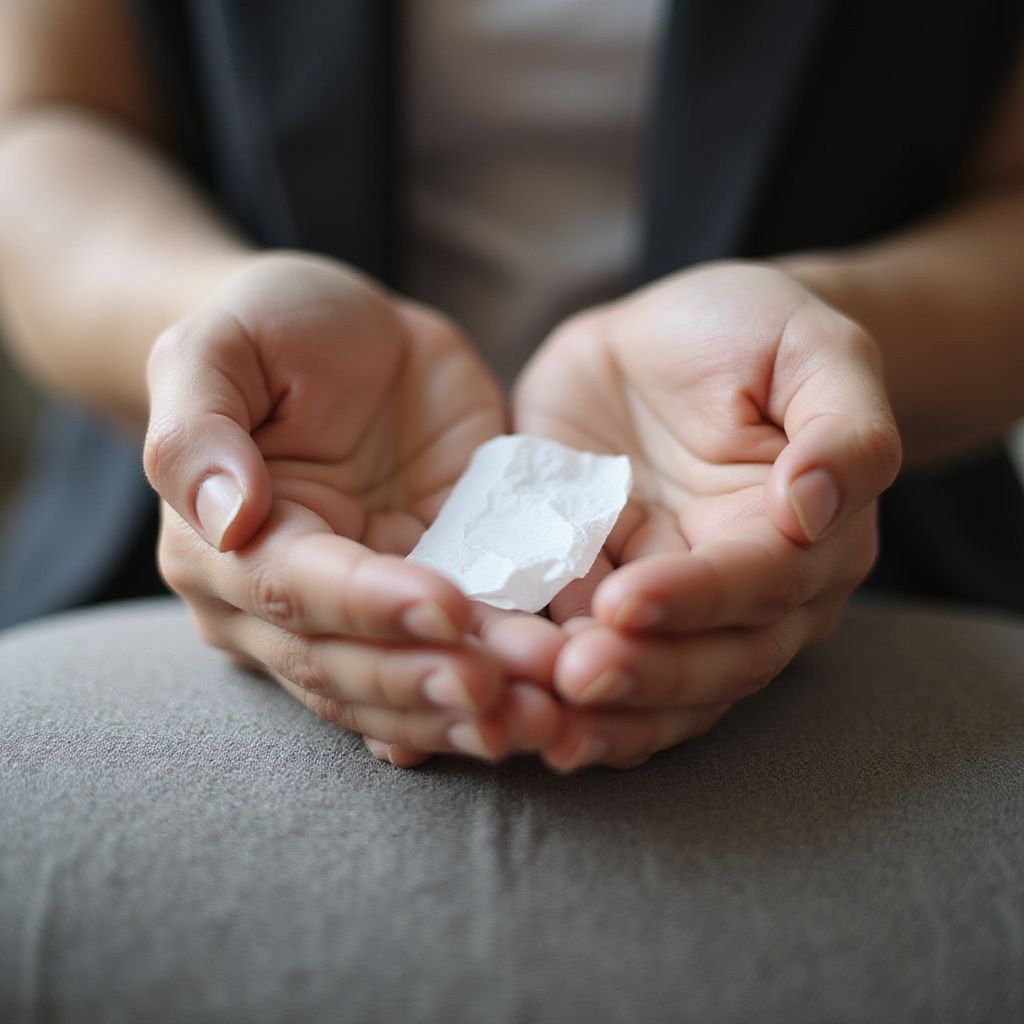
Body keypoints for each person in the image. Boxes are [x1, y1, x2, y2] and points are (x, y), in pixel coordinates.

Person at [0, 0, 1021, 772]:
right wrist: (212, 321)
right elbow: (45, 123)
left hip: (871, 566)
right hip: (203, 530)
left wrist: (828, 335)